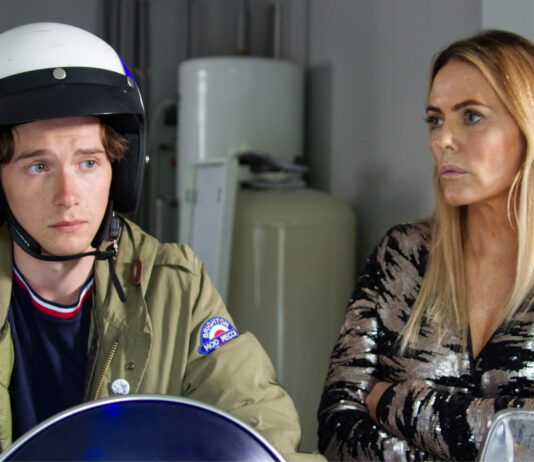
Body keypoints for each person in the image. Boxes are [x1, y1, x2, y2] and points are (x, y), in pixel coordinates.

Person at [0, 22, 322, 461]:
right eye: (38, 167)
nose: (68, 196)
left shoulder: (173, 286)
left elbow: (256, 424)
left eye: (88, 163)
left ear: (120, 170)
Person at [318, 29, 534, 461]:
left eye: (471, 116)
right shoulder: (403, 255)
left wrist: (394, 400)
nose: (442, 140)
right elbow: (337, 428)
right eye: (435, 119)